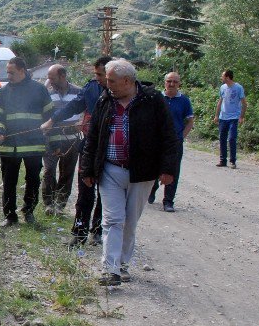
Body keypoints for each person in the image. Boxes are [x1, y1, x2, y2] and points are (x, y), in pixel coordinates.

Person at [80, 59, 178, 286]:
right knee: (113, 219)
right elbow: (93, 136)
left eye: (111, 81)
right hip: (110, 168)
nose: (107, 84)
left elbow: (168, 135)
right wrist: (87, 167)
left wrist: (167, 168)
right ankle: (110, 269)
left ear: (127, 81)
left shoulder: (153, 100)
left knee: (130, 221)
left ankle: (123, 263)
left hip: (142, 171)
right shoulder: (106, 99)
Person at [43, 56, 112, 246]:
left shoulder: (125, 93)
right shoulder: (91, 88)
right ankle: (79, 232)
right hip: (90, 147)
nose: (97, 78)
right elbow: (73, 106)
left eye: (100, 74)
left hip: (111, 152)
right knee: (84, 191)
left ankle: (97, 231)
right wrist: (52, 120)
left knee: (103, 194)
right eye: (96, 74)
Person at [0, 57, 55, 227]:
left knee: (33, 180)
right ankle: (10, 216)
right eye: (7, 72)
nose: (8, 75)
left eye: (11, 72)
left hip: (33, 145)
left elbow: (50, 114)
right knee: (9, 182)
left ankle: (29, 212)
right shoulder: (3, 92)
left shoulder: (39, 90)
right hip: (9, 146)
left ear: (22, 70)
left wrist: (47, 128)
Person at [147, 72, 194, 212]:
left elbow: (190, 122)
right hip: (156, 141)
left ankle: (168, 201)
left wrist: (181, 137)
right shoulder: (157, 98)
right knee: (153, 167)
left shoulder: (184, 101)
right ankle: (152, 189)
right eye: (169, 81)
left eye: (175, 81)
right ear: (164, 83)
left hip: (174, 142)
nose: (172, 84)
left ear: (179, 83)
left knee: (173, 171)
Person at [42, 64, 81, 213]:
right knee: (49, 170)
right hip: (51, 138)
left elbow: (86, 110)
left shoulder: (79, 92)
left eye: (52, 78)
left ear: (63, 76)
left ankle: (60, 204)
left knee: (67, 172)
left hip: (72, 139)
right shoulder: (47, 93)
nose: (49, 80)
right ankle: (48, 203)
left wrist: (80, 122)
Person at [213, 69, 246, 168]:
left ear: (227, 77)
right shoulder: (223, 87)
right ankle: (223, 160)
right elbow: (220, 102)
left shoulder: (238, 87)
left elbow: (244, 103)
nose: (221, 78)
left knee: (232, 138)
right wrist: (216, 115)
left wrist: (241, 117)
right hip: (223, 117)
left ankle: (232, 161)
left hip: (234, 117)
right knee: (222, 138)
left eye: (222, 76)